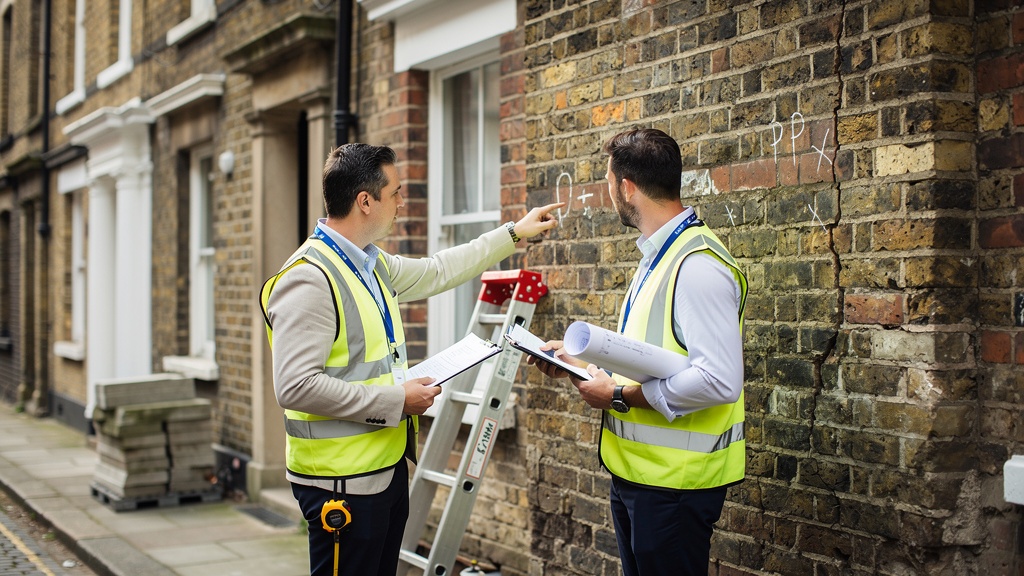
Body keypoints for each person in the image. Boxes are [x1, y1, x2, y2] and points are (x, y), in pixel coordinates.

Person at [259, 142, 561, 576]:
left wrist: (514, 233)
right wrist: (398, 400)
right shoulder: (309, 278)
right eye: (396, 192)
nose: (402, 202)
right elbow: (295, 386)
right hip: (339, 484)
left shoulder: (369, 264)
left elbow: (438, 270)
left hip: (384, 469)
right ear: (365, 201)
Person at [529, 128, 747, 576]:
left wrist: (616, 398)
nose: (609, 192)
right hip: (639, 478)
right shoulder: (658, 254)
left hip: (675, 488)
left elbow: (719, 379)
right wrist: (579, 365)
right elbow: (652, 357)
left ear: (626, 186)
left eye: (608, 182)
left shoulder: (697, 265)